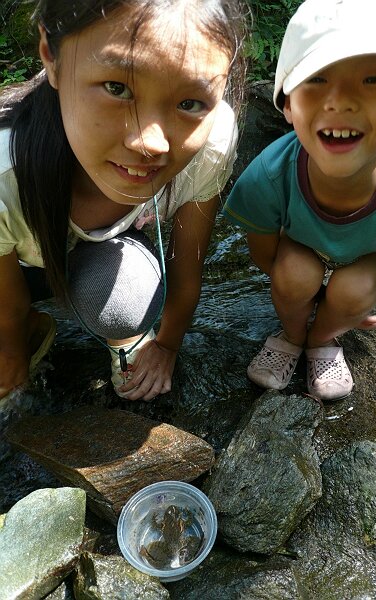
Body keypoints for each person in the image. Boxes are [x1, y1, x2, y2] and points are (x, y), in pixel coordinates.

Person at [0, 0, 248, 402]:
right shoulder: (5, 173)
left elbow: (188, 265)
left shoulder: (211, 143)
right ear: (52, 57)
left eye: (189, 103)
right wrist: (11, 351)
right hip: (18, 259)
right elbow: (5, 299)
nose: (149, 142)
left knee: (122, 298)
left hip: (105, 254)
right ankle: (32, 328)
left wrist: (167, 345)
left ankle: (127, 337)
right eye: (118, 88)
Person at [223, 0, 376, 401]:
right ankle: (293, 334)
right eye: (317, 78)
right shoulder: (269, 174)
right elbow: (264, 254)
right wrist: (299, 295)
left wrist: (358, 304)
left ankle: (322, 338)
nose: (340, 101)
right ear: (288, 103)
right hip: (299, 248)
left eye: (374, 79)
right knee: (293, 274)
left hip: (367, 257)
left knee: (355, 289)